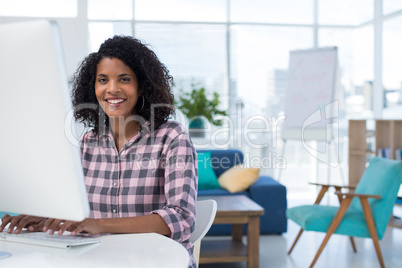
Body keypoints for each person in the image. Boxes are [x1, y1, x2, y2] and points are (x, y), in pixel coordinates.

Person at [0, 36, 198, 268]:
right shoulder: (89, 141)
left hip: (156, 260)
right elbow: (81, 214)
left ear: (141, 85)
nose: (112, 89)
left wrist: (98, 224)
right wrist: (44, 221)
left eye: (124, 79)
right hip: (101, 260)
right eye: (103, 80)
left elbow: (181, 218)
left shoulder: (172, 137)